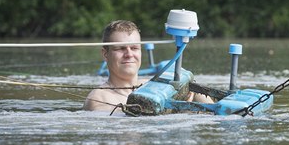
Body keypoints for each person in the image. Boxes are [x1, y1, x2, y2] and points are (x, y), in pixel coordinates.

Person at [84, 20, 213, 112]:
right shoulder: (97, 98)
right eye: (121, 48)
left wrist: (194, 95)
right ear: (105, 54)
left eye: (134, 48)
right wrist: (181, 109)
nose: (129, 54)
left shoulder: (154, 85)